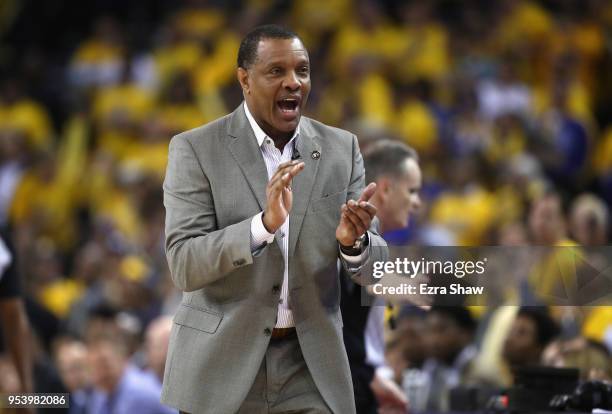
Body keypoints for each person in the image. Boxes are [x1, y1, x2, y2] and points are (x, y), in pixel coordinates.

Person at [161, 25, 387, 414]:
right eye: (276, 71)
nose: (293, 82)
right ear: (244, 80)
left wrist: (355, 245)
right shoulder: (195, 149)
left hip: (310, 366)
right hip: (222, 364)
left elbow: (377, 269)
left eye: (302, 70)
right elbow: (184, 264)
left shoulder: (341, 148)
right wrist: (261, 226)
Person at [341, 140, 422, 413]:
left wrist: (375, 376)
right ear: (386, 189)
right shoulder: (350, 233)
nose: (417, 202)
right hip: (346, 390)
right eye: (412, 191)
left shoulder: (375, 244)